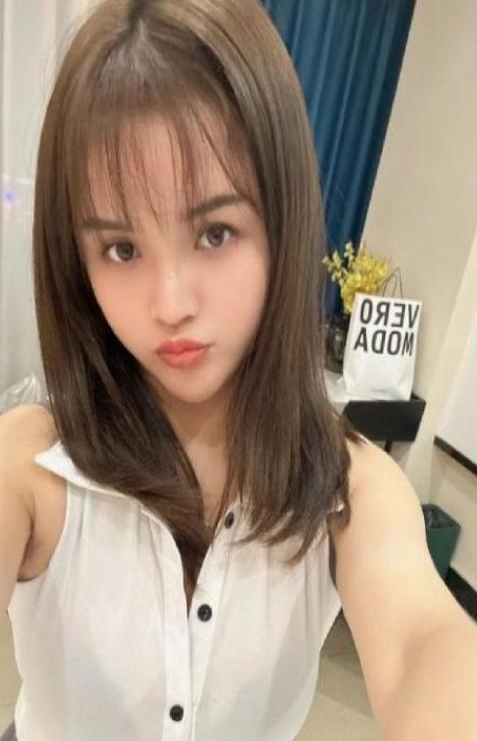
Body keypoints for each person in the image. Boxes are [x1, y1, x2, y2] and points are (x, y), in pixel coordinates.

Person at [1, 1, 476, 740]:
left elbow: (423, 643)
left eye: (215, 232)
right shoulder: (30, 468)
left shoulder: (347, 488)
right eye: (121, 249)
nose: (170, 304)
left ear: (282, 224)